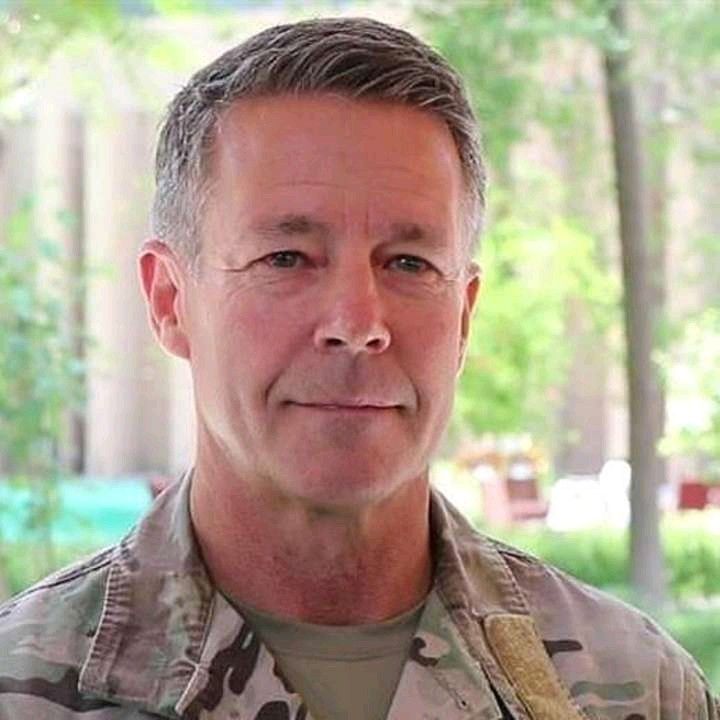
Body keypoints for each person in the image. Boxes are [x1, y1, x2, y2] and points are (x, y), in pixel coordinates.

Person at [0, 16, 717, 720]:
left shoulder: (636, 687)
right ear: (169, 300)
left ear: (464, 316)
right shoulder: (23, 688)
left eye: (409, 263)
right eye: (286, 259)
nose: (357, 325)